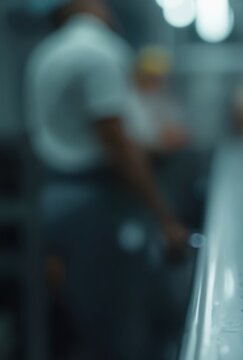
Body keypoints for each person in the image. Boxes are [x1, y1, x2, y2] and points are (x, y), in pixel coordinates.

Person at [25, 0, 188, 358]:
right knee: (118, 324)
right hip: (97, 204)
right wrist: (165, 218)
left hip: (55, 195)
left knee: (76, 315)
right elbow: (115, 138)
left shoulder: (46, 53)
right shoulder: (99, 52)